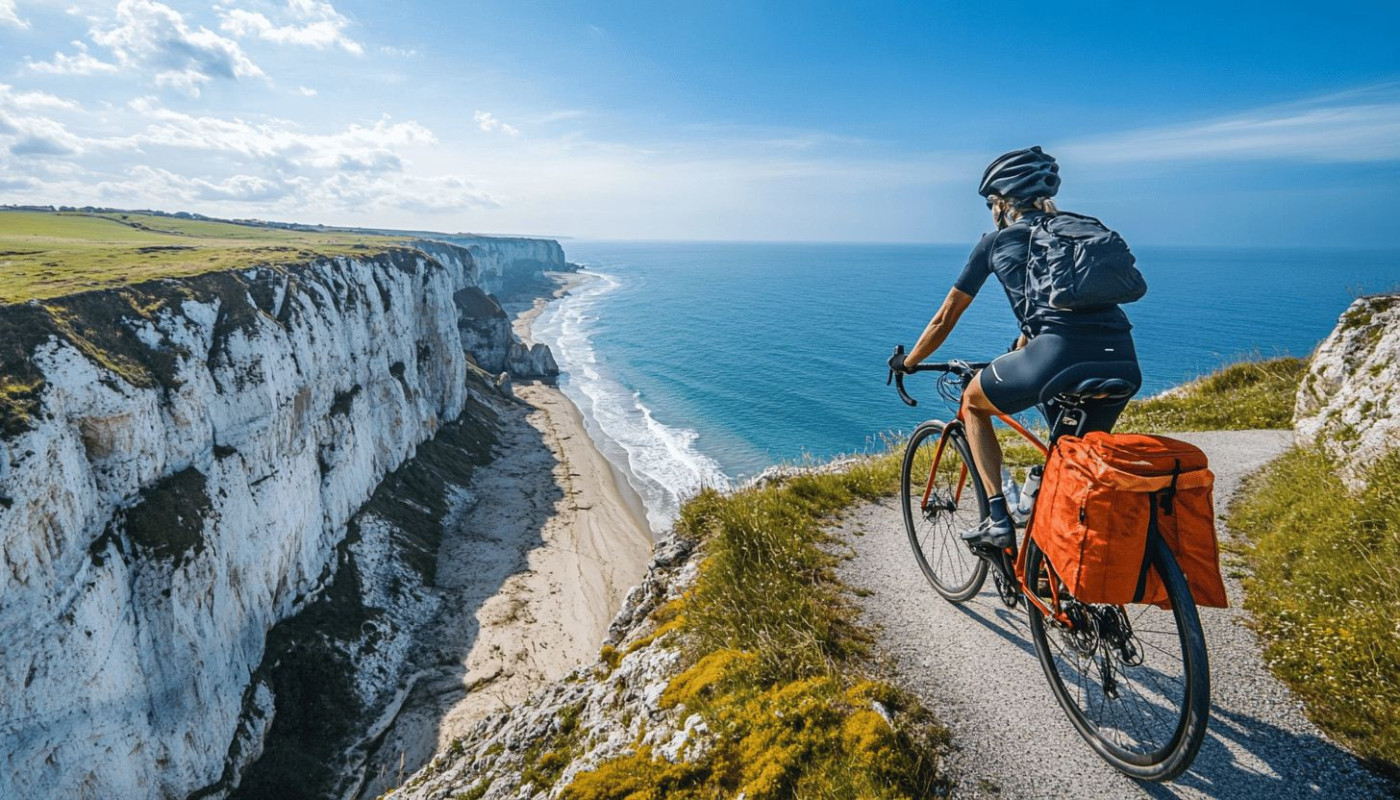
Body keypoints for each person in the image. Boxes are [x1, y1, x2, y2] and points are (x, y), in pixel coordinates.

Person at [888, 146, 1142, 548]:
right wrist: (1022, 344)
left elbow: (944, 319)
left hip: (1056, 358)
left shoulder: (995, 243)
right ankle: (1051, 575)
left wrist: (909, 362)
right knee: (1068, 464)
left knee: (973, 403)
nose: (992, 211)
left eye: (992, 202)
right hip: (1123, 362)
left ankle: (997, 520)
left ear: (1003, 202)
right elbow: (1057, 306)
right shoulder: (1079, 233)